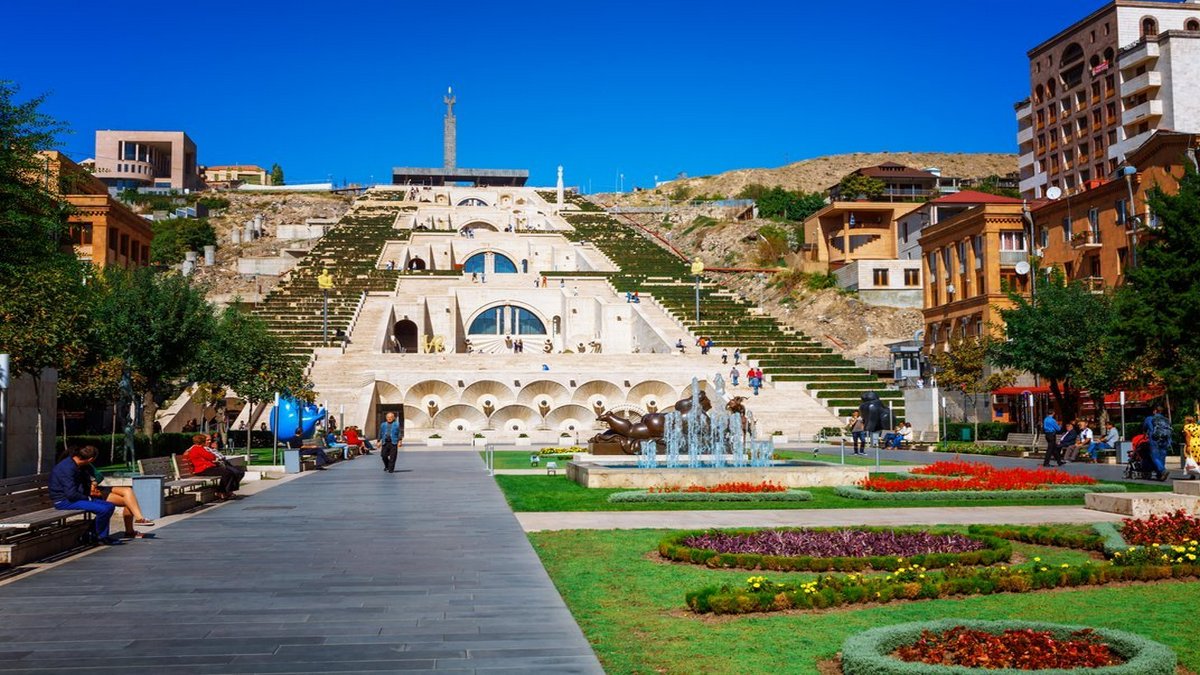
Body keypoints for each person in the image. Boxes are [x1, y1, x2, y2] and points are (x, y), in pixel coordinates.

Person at [49, 445, 120, 545]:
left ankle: (92, 534)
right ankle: (100, 537)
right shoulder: (67, 468)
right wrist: (88, 498)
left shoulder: (75, 464)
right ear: (90, 459)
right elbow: (71, 494)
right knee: (103, 509)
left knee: (110, 506)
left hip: (74, 498)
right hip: (64, 501)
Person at [82, 449, 154, 539]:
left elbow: (99, 476)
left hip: (96, 488)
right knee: (129, 502)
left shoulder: (87, 464)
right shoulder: (75, 466)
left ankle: (138, 519)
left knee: (128, 491)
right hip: (90, 493)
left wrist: (94, 483)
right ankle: (131, 530)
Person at [184, 434, 242, 499]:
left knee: (229, 472)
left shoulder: (197, 448)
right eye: (205, 441)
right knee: (227, 473)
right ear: (202, 442)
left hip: (206, 468)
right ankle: (222, 492)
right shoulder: (198, 449)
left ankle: (226, 492)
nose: (207, 442)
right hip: (203, 470)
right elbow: (211, 457)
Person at [1143, 406, 1172, 480]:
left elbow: (1145, 428)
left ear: (1155, 411)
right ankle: (1160, 474)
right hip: (1165, 439)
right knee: (1162, 456)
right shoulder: (1166, 419)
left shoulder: (1149, 418)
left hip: (1154, 439)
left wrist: (1145, 434)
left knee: (1155, 456)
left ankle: (1162, 470)